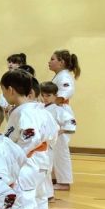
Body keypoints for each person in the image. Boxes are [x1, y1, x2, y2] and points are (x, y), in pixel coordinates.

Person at [3, 71, 56, 209]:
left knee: (24, 199)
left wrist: (18, 155)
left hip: (29, 161)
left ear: (10, 90)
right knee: (39, 197)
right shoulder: (40, 109)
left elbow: (30, 137)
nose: (4, 95)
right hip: (42, 159)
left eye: (3, 91)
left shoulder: (24, 112)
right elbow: (53, 132)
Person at [47, 50, 80, 190]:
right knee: (54, 147)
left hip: (61, 114)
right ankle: (56, 178)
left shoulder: (65, 77)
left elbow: (65, 94)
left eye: (52, 59)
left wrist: (48, 103)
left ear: (61, 62)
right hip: (55, 112)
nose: (49, 62)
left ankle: (64, 182)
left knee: (60, 148)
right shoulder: (59, 76)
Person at [40, 81, 77, 194]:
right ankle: (52, 180)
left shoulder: (58, 109)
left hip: (58, 140)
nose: (45, 98)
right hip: (47, 140)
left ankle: (64, 183)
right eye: (43, 95)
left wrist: (62, 131)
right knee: (48, 160)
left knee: (60, 159)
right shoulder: (41, 108)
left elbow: (71, 121)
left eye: (48, 95)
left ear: (55, 96)